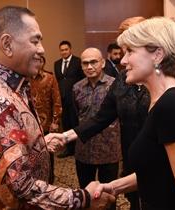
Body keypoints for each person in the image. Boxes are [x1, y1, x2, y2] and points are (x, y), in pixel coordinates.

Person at [0, 6, 114, 209]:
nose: (42, 49)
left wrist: (37, 143)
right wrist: (83, 198)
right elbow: (22, 187)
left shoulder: (5, 83)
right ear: (7, 44)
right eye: (35, 40)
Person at [92, 17, 175, 209]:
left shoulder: (171, 105)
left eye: (130, 51)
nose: (123, 60)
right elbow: (159, 169)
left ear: (157, 55)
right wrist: (113, 187)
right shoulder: (160, 102)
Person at [47, 17, 149, 210]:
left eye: (129, 51)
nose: (123, 59)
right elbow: (99, 118)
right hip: (125, 160)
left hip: (144, 161)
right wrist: (65, 136)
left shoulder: (169, 84)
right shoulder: (123, 81)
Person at [73, 48, 121, 210]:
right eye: (85, 63)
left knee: (109, 197)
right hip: (84, 150)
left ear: (103, 63)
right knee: (86, 196)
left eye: (93, 62)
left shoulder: (115, 85)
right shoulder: (77, 88)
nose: (89, 66)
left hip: (109, 150)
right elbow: (75, 118)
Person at [30, 55, 62, 184]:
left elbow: (57, 102)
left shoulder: (50, 78)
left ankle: (49, 181)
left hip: (46, 124)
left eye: (40, 60)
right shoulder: (23, 78)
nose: (37, 63)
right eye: (34, 60)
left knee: (48, 155)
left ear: (43, 62)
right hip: (28, 126)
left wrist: (55, 122)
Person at [54, 40, 85, 158]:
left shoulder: (78, 62)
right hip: (63, 99)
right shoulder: (57, 64)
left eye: (66, 49)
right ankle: (69, 149)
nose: (64, 52)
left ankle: (78, 148)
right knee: (66, 124)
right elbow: (59, 81)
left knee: (76, 123)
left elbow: (83, 79)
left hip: (76, 99)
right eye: (62, 50)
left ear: (70, 49)